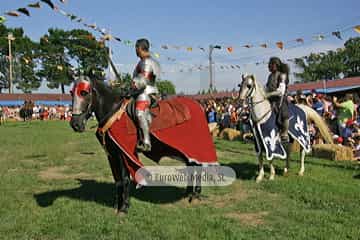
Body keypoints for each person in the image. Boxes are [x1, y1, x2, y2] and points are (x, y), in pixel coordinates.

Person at [131, 38, 161, 152]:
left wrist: (133, 84)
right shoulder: (142, 61)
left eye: (136, 48)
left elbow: (143, 80)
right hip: (140, 91)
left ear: (140, 48)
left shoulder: (147, 62)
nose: (135, 50)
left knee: (139, 113)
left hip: (146, 92)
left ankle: (146, 142)